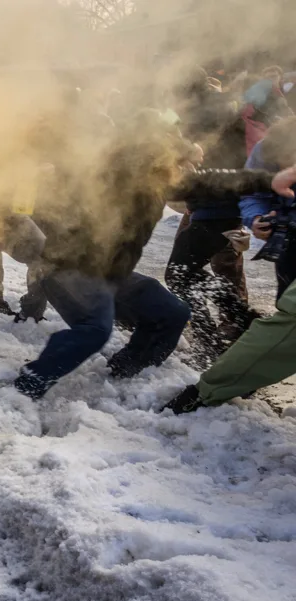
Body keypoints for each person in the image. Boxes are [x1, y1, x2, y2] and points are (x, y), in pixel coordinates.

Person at [15, 112, 286, 400]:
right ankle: (29, 383)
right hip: (66, 269)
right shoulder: (113, 173)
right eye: (181, 160)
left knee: (173, 313)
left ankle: (126, 368)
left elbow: (216, 181)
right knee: (94, 329)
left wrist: (270, 180)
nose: (191, 167)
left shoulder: (163, 179)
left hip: (112, 273)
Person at [165, 165, 296, 414]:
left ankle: (218, 339)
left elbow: (236, 176)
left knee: (180, 274)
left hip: (216, 214)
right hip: (214, 213)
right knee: (184, 274)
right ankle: (232, 330)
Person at [165, 68, 256, 366]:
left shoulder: (205, 113)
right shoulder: (221, 107)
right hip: (215, 204)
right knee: (186, 270)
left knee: (182, 272)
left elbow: (195, 154)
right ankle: (237, 319)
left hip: (218, 204)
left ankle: (223, 330)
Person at [240, 117, 296, 298]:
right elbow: (251, 192)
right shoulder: (264, 150)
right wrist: (256, 218)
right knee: (287, 299)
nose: (283, 167)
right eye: (278, 163)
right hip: (289, 238)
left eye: (289, 159)